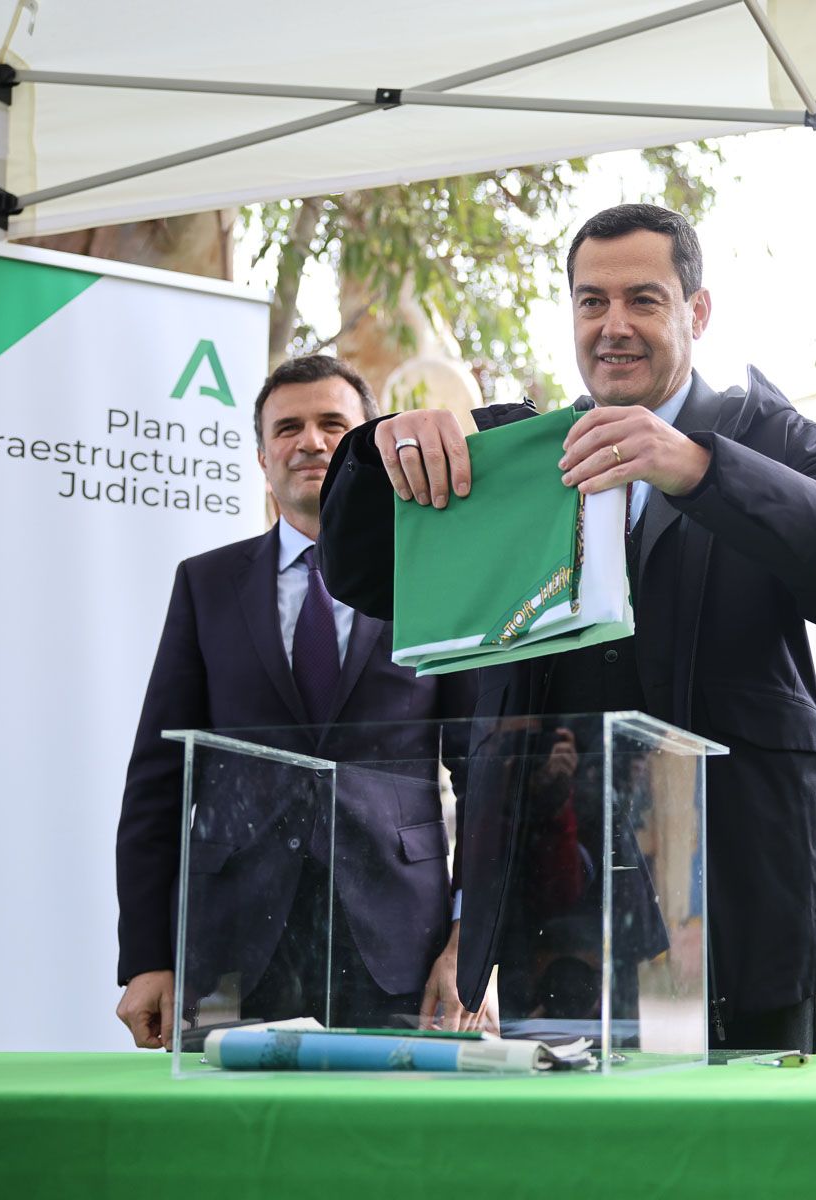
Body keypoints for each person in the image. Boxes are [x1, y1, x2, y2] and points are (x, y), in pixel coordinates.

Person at [319, 204, 816, 1053]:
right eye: (592, 302)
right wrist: (380, 456)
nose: (614, 326)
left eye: (643, 299)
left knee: (747, 1173)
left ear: (696, 312)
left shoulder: (769, 436)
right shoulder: (520, 458)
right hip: (553, 914)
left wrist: (698, 469)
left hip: (736, 910)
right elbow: (369, 577)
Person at [114, 354, 481, 1049]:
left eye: (332, 424)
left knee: (392, 1151)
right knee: (227, 1152)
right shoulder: (206, 585)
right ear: (261, 456)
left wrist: (472, 942)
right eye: (288, 428)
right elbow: (158, 784)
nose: (310, 441)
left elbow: (482, 773)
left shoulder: (432, 579)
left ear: (367, 444)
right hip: (231, 953)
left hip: (400, 946)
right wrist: (148, 956)